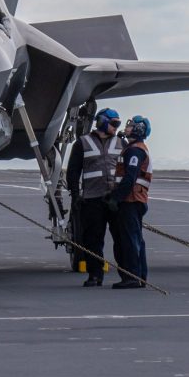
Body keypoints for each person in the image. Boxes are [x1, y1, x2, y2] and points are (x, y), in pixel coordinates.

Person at [64, 107, 124, 287]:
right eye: (114, 124)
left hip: (115, 200)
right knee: (93, 239)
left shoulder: (121, 143)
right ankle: (95, 274)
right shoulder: (82, 143)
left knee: (121, 238)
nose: (116, 127)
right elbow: (73, 172)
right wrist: (75, 196)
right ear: (102, 122)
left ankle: (127, 274)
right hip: (92, 199)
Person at [110, 115, 152, 289]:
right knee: (135, 238)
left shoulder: (134, 151)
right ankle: (139, 276)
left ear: (139, 129)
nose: (127, 128)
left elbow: (129, 178)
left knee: (129, 239)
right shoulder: (134, 148)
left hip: (131, 200)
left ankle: (132, 276)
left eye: (131, 126)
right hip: (134, 199)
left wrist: (116, 198)